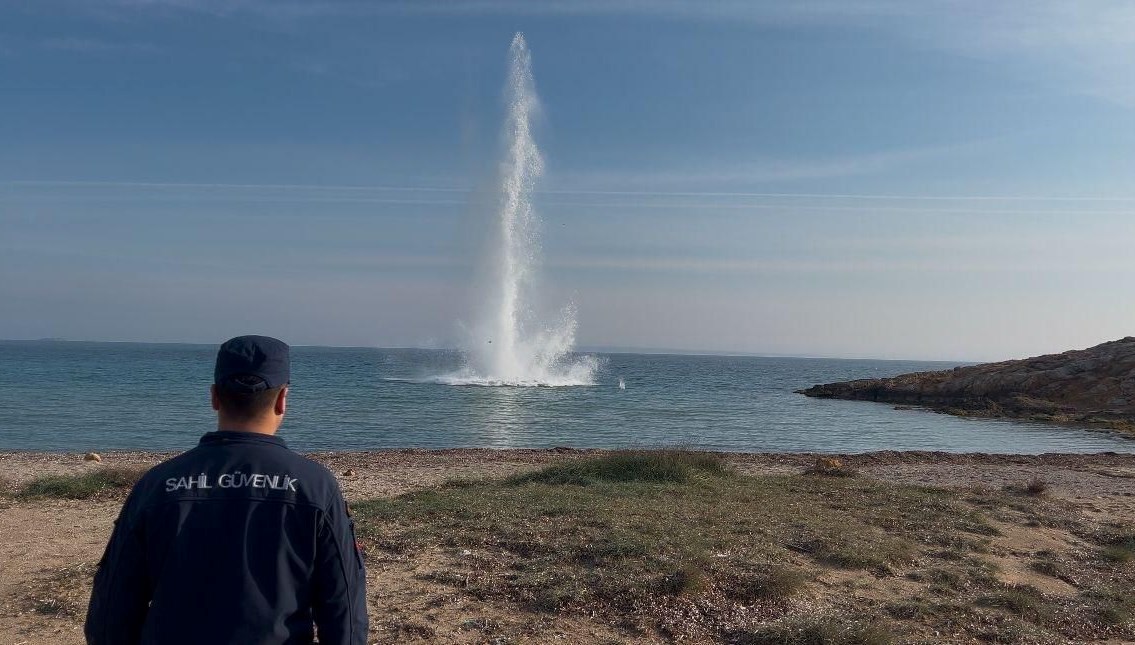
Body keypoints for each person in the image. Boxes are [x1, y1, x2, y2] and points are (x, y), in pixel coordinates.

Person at [85, 335, 368, 645]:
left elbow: (110, 615)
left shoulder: (157, 485)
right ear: (282, 399)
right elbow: (344, 614)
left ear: (215, 397)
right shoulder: (315, 486)